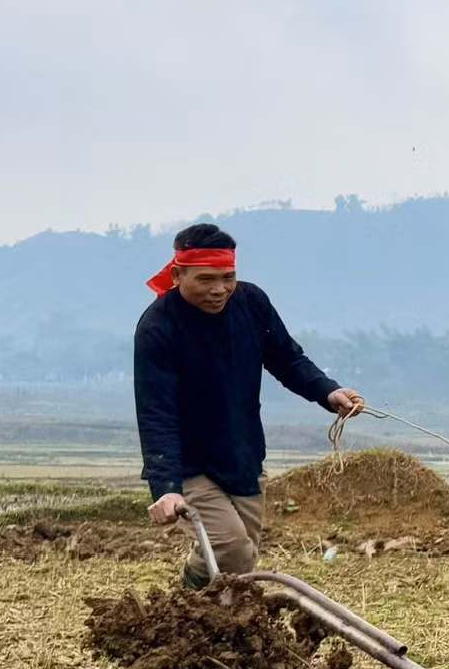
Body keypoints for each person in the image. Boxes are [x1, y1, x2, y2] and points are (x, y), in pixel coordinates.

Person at [134, 222, 364, 583]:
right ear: (177, 275)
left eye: (228, 277)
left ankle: (213, 628)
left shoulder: (251, 303)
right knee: (231, 548)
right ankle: (184, 599)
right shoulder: (158, 328)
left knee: (242, 561)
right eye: (206, 279)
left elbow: (287, 359)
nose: (219, 289)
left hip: (243, 455)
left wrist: (327, 391)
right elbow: (156, 413)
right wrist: (166, 488)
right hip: (191, 464)